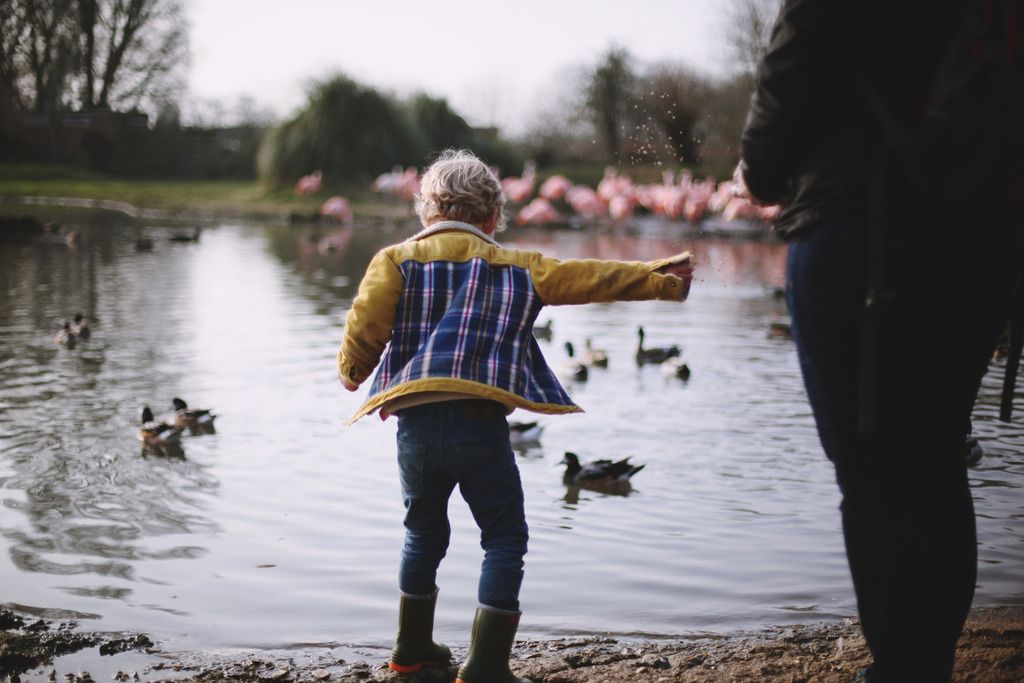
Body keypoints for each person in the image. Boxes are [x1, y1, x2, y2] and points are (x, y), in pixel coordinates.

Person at [735, 2, 1021, 681]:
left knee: (873, 476)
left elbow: (792, 66)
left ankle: (900, 669)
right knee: (937, 464)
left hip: (863, 219)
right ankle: (926, 666)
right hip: (980, 236)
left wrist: (761, 167)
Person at [337, 149, 694, 682]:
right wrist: (660, 277)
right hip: (478, 426)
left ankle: (411, 649)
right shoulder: (517, 266)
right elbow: (589, 278)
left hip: (413, 427)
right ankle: (485, 666)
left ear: (427, 211)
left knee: (422, 533)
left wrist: (352, 369)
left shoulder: (394, 261)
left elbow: (366, 324)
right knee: (504, 536)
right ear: (492, 216)